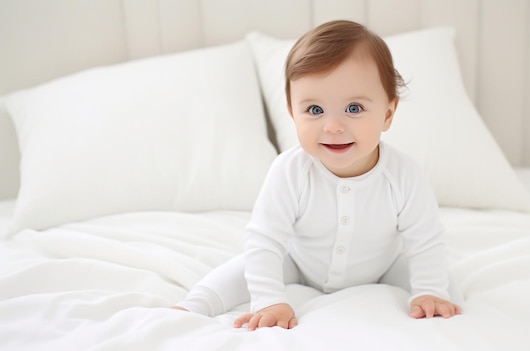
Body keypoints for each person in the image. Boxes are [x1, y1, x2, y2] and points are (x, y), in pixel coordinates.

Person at [172, 19, 461, 330]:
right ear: (292, 112)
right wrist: (269, 300)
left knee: (442, 284)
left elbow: (425, 242)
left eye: (353, 108)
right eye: (314, 110)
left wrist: (430, 290)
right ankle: (195, 304)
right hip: (299, 263)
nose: (333, 126)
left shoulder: (404, 176)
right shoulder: (290, 171)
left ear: (387, 114)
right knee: (247, 267)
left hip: (382, 266)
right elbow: (265, 238)